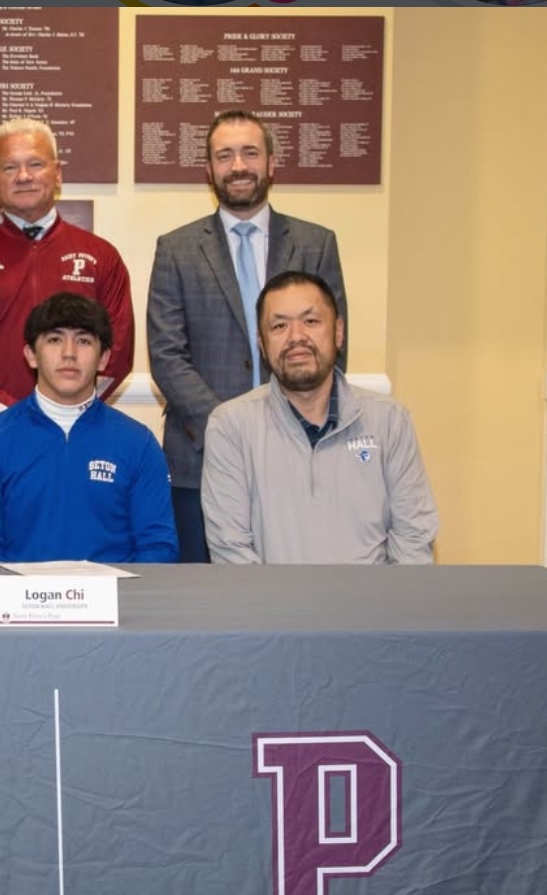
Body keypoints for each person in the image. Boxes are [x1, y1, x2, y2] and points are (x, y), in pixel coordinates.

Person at [147, 108, 349, 563]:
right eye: (225, 155)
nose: (238, 166)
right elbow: (166, 355)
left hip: (302, 451)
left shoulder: (317, 243)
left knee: (296, 595)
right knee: (204, 603)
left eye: (250, 153)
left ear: (272, 162)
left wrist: (284, 430)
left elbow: (332, 346)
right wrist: (232, 430)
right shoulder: (176, 249)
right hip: (199, 458)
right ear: (209, 169)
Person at [0, 118, 134, 468]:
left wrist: (63, 415)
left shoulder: (102, 257)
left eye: (35, 164)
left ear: (57, 174)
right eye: (9, 167)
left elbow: (117, 351)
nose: (23, 176)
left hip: (75, 444)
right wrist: (14, 421)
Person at [202, 271, 437, 564]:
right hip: (271, 608)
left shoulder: (390, 422)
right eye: (279, 326)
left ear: (338, 332)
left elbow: (413, 540)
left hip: (373, 608)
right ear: (262, 343)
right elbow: (230, 549)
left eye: (311, 321)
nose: (296, 337)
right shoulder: (230, 427)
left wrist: (382, 608)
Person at [0, 293, 177, 564]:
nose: (69, 353)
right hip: (21, 603)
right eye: (54, 340)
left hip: (115, 602)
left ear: (104, 359)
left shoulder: (138, 443)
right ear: (31, 355)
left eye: (84, 341)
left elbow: (158, 546)